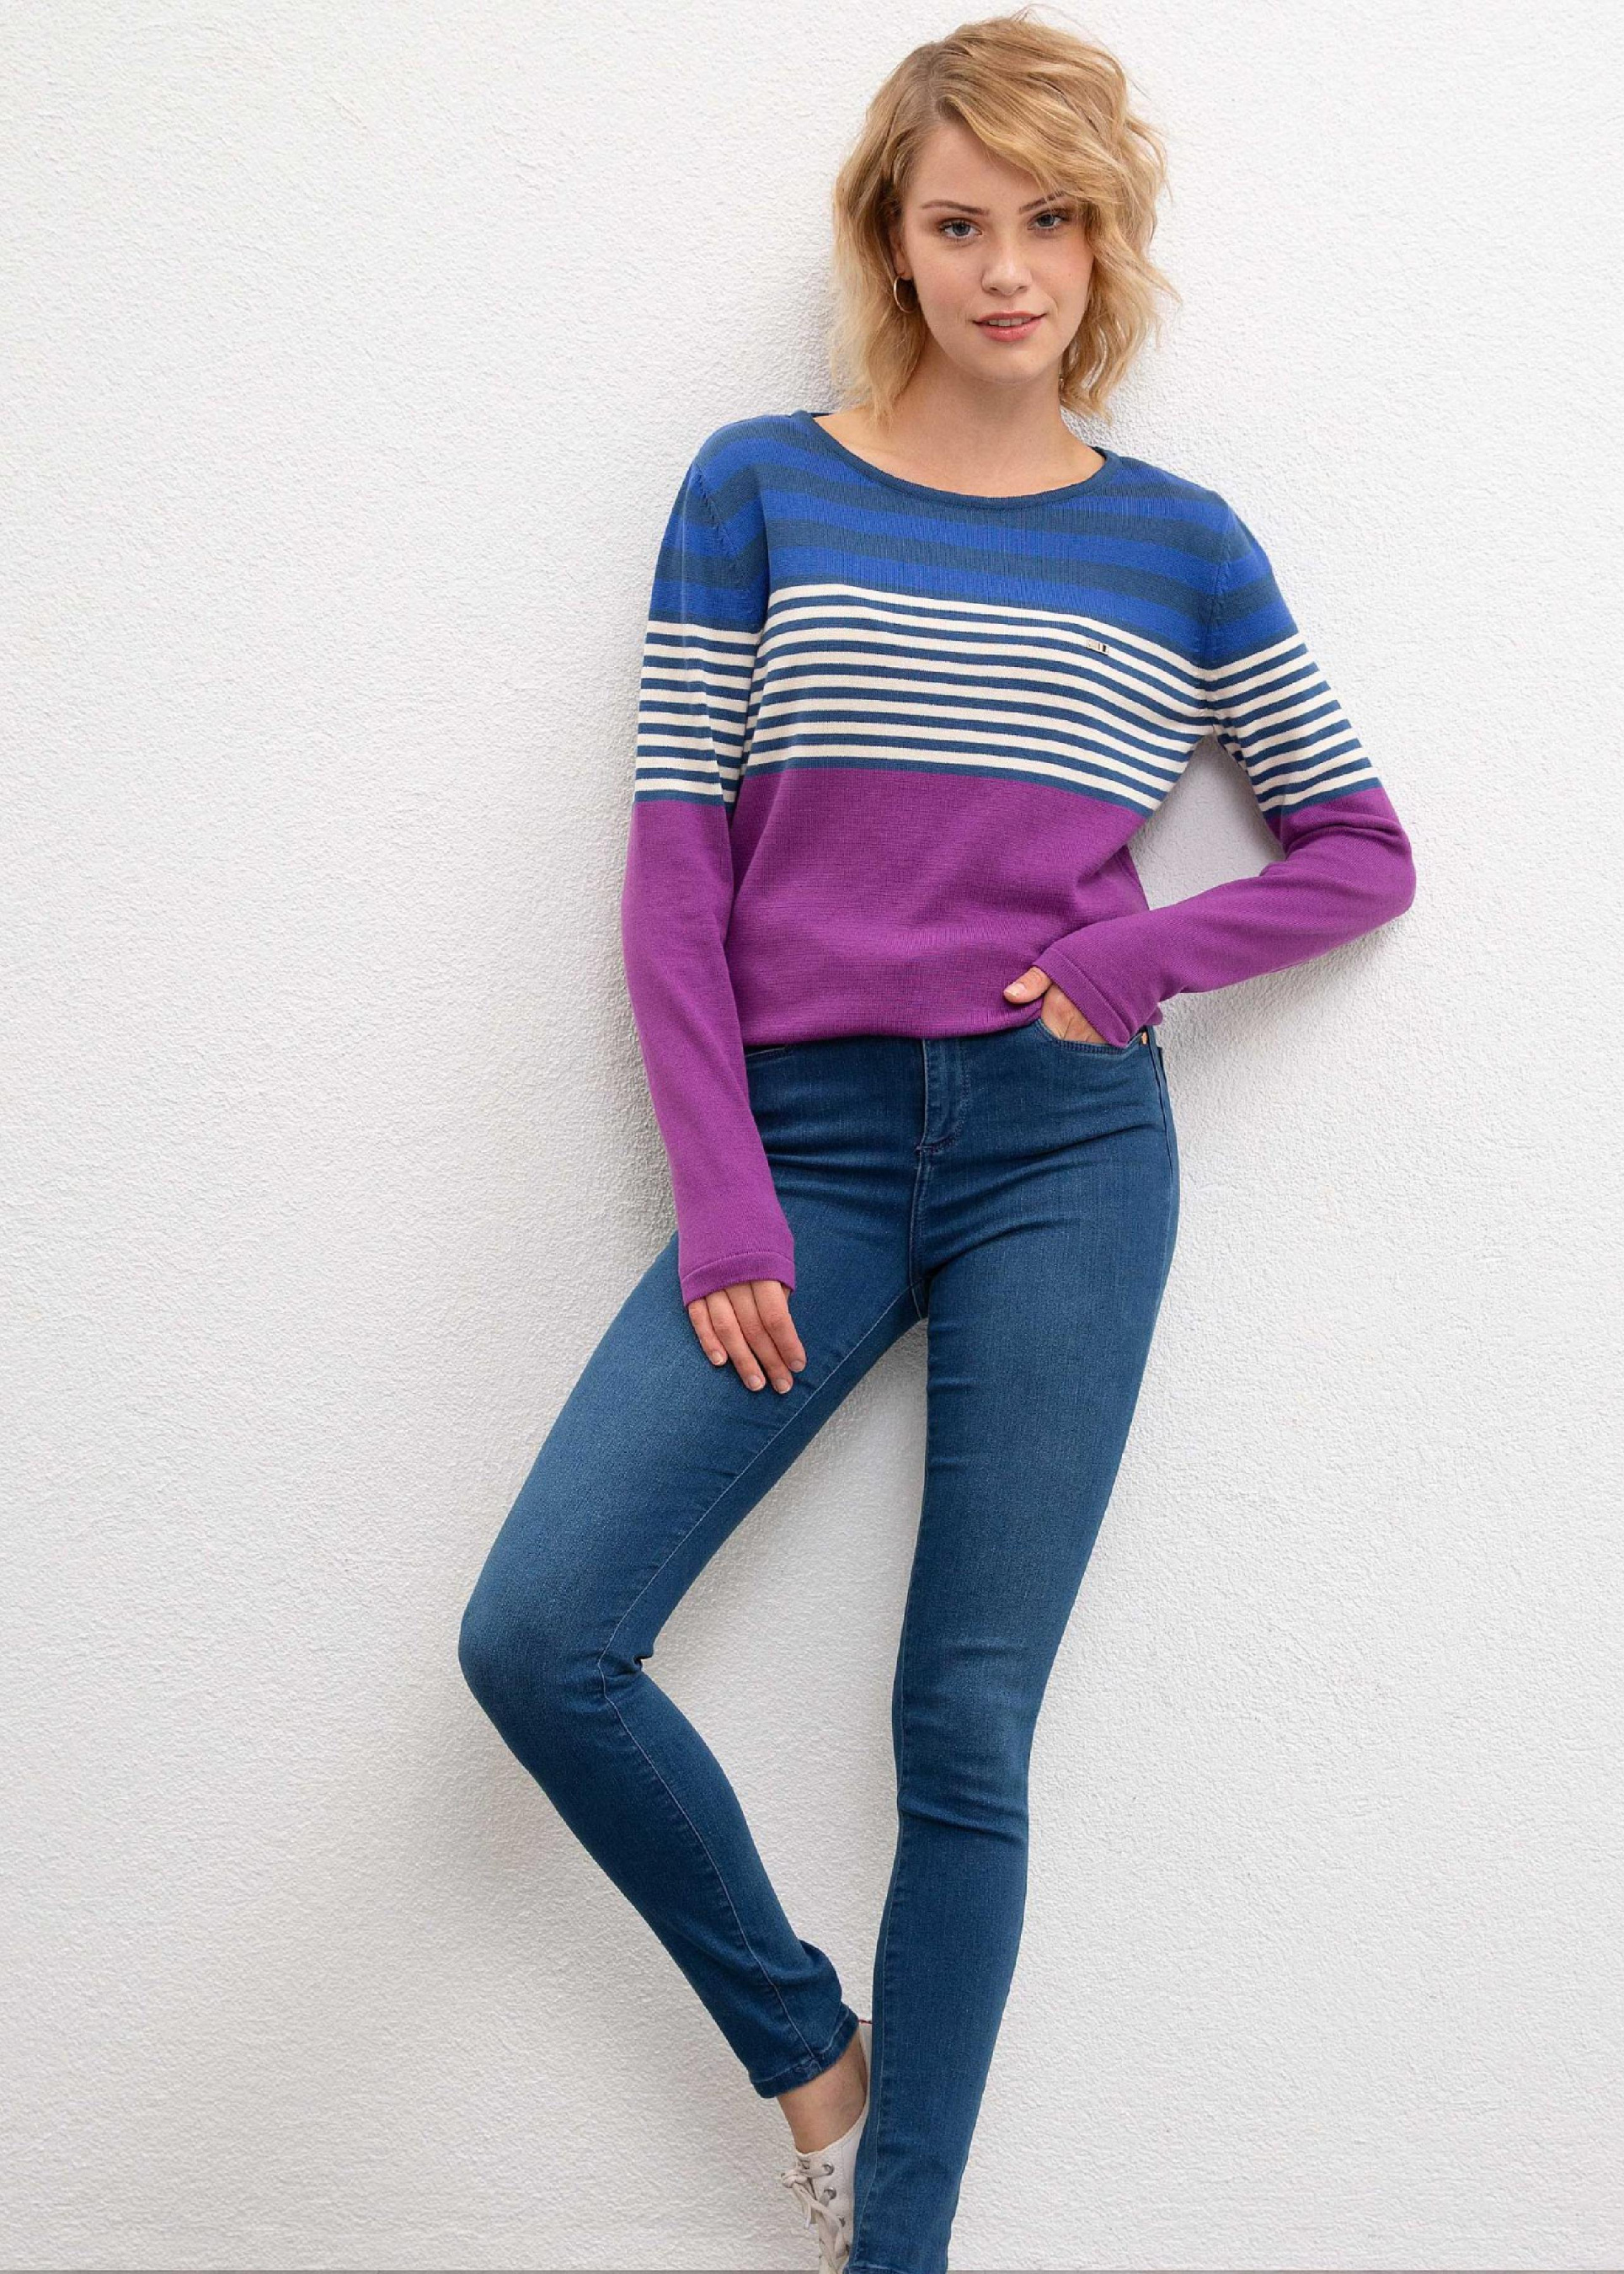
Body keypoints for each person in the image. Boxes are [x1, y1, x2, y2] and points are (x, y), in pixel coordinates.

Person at [457, 13, 1417, 2271]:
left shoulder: (1179, 544)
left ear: (1105, 239)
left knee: (962, 1725)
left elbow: (1361, 849)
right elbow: (673, 868)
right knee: (541, 1635)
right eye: (960, 221)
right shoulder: (757, 489)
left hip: (1062, 1152)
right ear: (891, 242)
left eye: (1050, 220)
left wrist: (1129, 963)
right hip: (797, 1147)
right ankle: (811, 2050)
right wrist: (722, 1196)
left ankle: (893, 2244)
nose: (1007, 269)